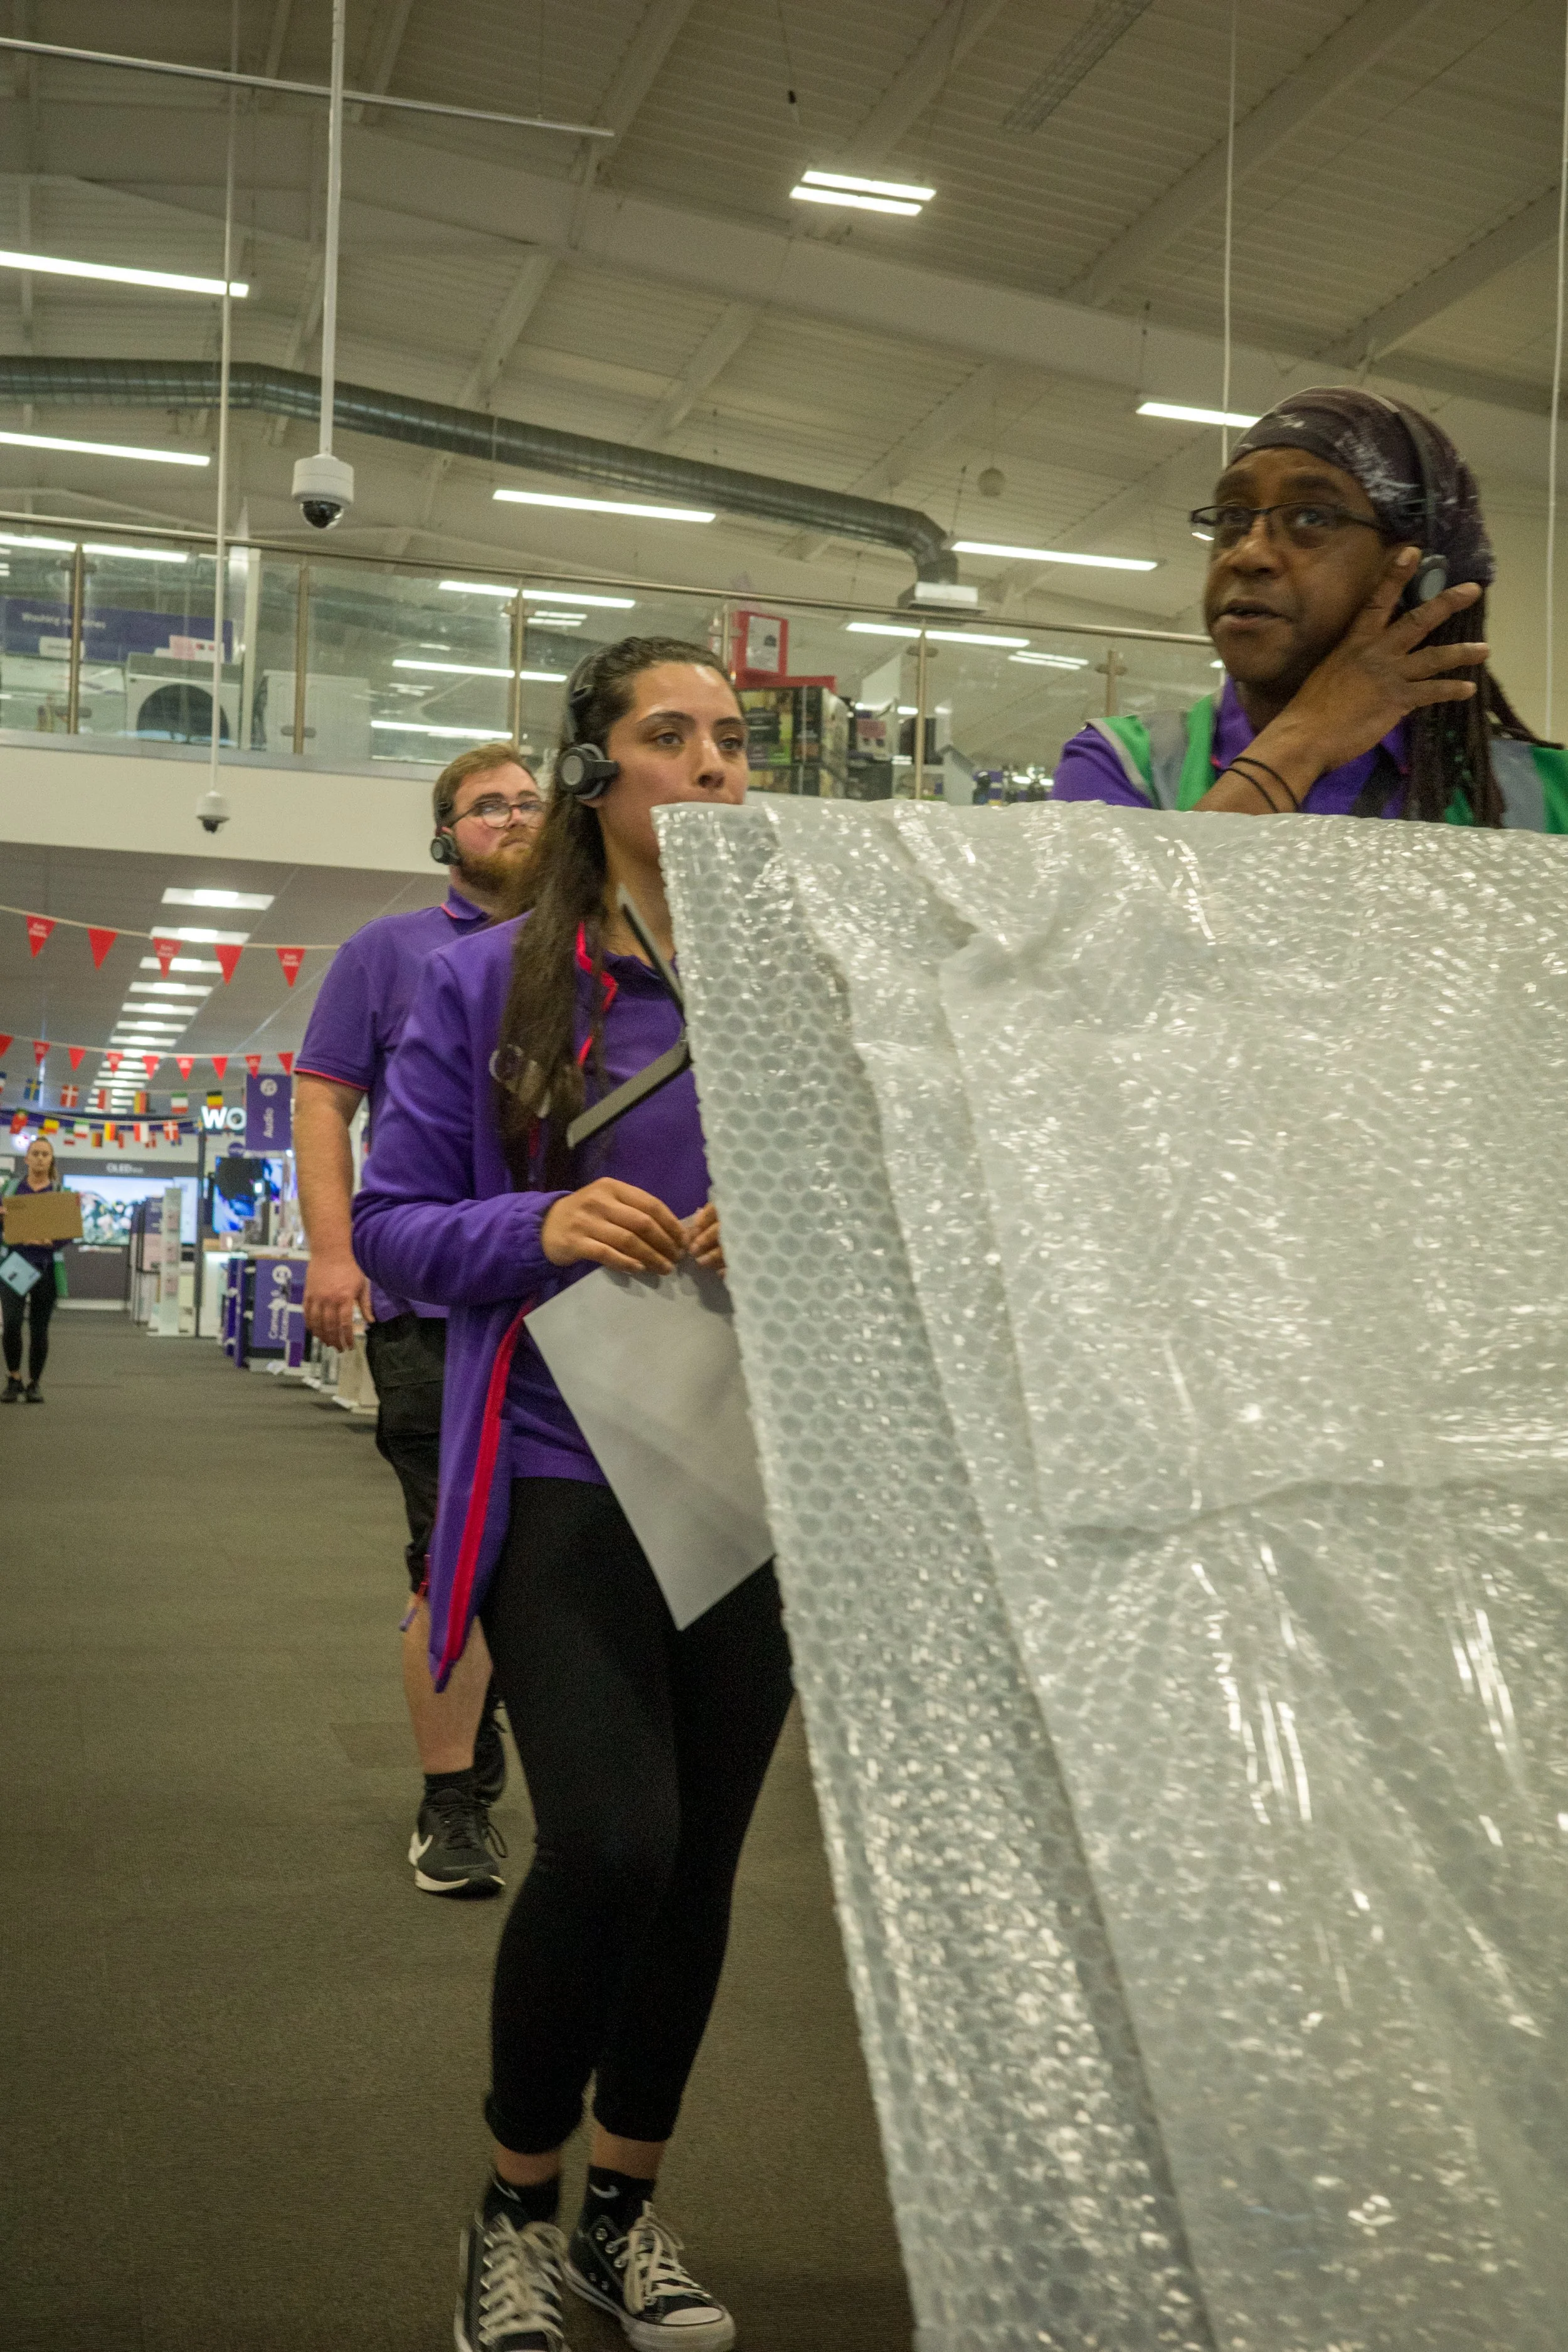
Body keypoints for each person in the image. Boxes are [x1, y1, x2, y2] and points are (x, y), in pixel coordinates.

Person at [353, 638, 793, 2352]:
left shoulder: (790, 977)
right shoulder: (487, 984)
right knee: (611, 1835)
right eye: (668, 734)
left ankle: (621, 2209)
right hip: (556, 1458)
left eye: (733, 740)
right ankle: (510, 2211)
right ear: (592, 767)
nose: (710, 764)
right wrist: (539, 1221)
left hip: (749, 1463)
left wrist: (795, 1224)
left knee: (698, 1874)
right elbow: (395, 1225)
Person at [295, 740, 546, 1896]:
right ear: (445, 835)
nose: (514, 817)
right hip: (433, 1300)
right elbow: (325, 1103)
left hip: (582, 1307)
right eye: (486, 806)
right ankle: (453, 1802)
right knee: (451, 1555)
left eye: (531, 801)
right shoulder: (387, 953)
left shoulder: (599, 950)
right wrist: (336, 1254)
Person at [1053, 384, 1568, 825]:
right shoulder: (1124, 764)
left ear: (1418, 572)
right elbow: (1128, 933)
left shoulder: (1542, 800)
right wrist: (1304, 741)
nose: (1249, 552)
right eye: (1233, 516)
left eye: (1312, 519)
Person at [2, 1133, 65, 1402]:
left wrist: (54, 1240)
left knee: (40, 1329)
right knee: (12, 1324)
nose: (40, 1158)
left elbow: (68, 1235)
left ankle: (34, 1383)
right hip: (15, 1264)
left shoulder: (59, 1194)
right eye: (35, 1153)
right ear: (27, 1159)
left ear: (51, 1160)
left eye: (45, 1154)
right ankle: (14, 1378)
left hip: (46, 1267)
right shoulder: (10, 1190)